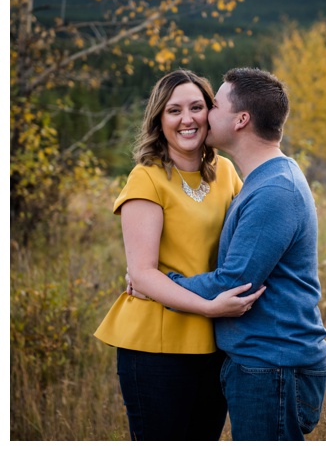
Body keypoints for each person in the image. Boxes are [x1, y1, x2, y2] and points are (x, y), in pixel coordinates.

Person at [94, 69, 265, 441]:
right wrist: (208, 308)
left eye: (196, 107)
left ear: (211, 113)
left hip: (217, 345)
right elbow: (142, 274)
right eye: (174, 110)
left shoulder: (227, 172)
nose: (187, 119)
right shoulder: (147, 178)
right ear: (159, 119)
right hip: (156, 347)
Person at [163, 67, 326, 441]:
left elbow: (234, 282)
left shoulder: (275, 190)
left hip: (273, 365)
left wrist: (163, 285)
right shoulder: (264, 179)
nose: (206, 114)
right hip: (266, 363)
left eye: (214, 105)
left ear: (241, 120)